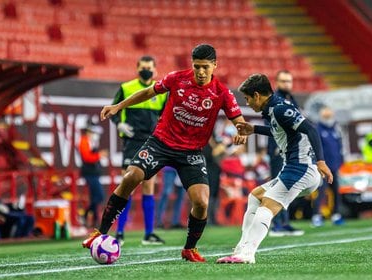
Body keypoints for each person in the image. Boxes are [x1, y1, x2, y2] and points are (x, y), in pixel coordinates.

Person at [82, 44, 247, 262]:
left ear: (214, 65)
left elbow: (239, 121)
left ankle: (189, 248)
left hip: (191, 152)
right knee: (131, 177)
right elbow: (148, 92)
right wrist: (119, 106)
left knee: (201, 202)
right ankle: (100, 233)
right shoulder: (176, 78)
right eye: (196, 66)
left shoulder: (222, 92)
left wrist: (241, 132)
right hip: (160, 143)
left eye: (205, 67)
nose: (200, 72)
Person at [217, 73, 332, 264]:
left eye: (247, 99)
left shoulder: (279, 109)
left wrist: (321, 161)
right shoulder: (273, 109)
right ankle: (242, 247)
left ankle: (247, 254)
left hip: (301, 169)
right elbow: (278, 130)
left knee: (267, 207)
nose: (247, 103)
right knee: (255, 195)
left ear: (257, 95)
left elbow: (310, 129)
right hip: (293, 169)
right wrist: (253, 129)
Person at [110, 55, 167, 245]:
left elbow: (165, 116)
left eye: (149, 67)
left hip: (151, 143)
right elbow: (113, 110)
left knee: (149, 186)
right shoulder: (126, 88)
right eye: (143, 67)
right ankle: (119, 233)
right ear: (137, 69)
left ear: (155, 70)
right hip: (131, 142)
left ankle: (148, 234)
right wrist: (119, 124)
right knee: (126, 186)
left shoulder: (161, 91)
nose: (146, 70)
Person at [267, 70, 304, 237]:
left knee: (287, 186)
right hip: (278, 149)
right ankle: (275, 224)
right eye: (283, 81)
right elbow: (272, 126)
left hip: (290, 149)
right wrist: (277, 145)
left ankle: (285, 222)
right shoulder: (274, 100)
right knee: (277, 185)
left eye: (289, 81)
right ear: (277, 82)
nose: (286, 84)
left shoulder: (291, 99)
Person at [312, 106, 344, 227]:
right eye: (326, 114)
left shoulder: (336, 129)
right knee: (320, 192)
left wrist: (341, 162)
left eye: (329, 114)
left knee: (336, 192)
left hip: (335, 167)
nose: (328, 115)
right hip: (323, 167)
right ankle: (316, 216)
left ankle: (336, 215)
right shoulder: (318, 129)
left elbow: (340, 148)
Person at [78, 122, 107, 228]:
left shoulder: (90, 142)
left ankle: (94, 219)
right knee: (99, 196)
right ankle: (87, 216)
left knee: (95, 197)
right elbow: (87, 157)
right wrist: (99, 155)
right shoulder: (84, 141)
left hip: (93, 172)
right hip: (90, 173)